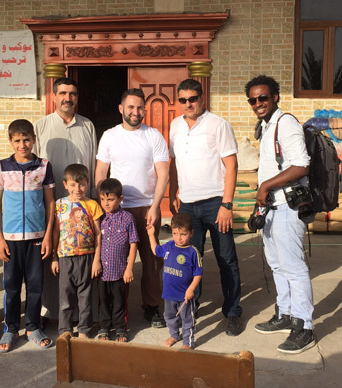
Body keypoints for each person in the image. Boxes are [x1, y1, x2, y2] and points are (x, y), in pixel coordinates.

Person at [168, 78, 243, 336]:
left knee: (226, 259)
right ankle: (191, 308)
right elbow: (174, 162)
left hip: (215, 203)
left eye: (193, 99)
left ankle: (232, 312)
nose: (188, 104)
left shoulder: (218, 125)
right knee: (190, 260)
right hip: (188, 204)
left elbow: (231, 165)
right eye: (183, 100)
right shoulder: (175, 125)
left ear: (202, 98)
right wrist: (172, 193)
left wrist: (227, 204)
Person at [246, 75, 315, 354]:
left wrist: (266, 186)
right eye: (253, 100)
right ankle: (285, 314)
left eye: (263, 97)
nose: (258, 103)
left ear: (275, 96)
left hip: (288, 206)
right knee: (276, 265)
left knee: (295, 268)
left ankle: (304, 326)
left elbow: (301, 165)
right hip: (271, 207)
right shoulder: (265, 126)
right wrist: (262, 197)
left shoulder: (286, 123)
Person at [95, 88, 169, 328]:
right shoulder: (109, 136)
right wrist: (104, 208)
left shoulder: (154, 135)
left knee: (150, 261)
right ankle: (116, 313)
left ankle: (151, 306)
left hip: (146, 207)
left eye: (139, 108)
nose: (135, 112)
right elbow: (100, 173)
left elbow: (163, 173)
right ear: (121, 109)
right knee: (115, 261)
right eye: (131, 107)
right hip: (117, 211)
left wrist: (156, 207)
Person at [33, 77, 98, 324]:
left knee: (82, 263)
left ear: (76, 97)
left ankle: (84, 315)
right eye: (62, 93)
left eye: (72, 93)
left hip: (82, 208)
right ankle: (51, 312)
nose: (67, 98)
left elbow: (91, 162)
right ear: (54, 96)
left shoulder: (87, 126)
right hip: (53, 206)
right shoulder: (41, 127)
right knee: (54, 260)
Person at [0, 119, 55, 352]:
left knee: (36, 284)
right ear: (10, 141)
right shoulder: (1, 167)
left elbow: (50, 204)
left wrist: (48, 236)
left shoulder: (44, 166)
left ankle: (33, 327)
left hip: (37, 237)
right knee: (12, 285)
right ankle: (10, 329)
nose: (22, 144)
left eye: (26, 139)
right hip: (11, 238)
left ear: (34, 139)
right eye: (17, 140)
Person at [50, 164, 103, 338]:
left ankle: (84, 330)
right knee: (65, 298)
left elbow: (97, 233)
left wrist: (96, 260)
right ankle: (65, 329)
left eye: (81, 184)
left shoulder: (92, 205)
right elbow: (56, 232)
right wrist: (54, 258)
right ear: (65, 184)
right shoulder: (59, 205)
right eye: (73, 185)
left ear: (87, 183)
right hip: (65, 258)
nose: (77, 189)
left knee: (85, 298)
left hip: (87, 258)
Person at [146, 213, 202, 349]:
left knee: (187, 319)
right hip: (169, 294)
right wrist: (151, 234)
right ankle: (174, 335)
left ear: (191, 233)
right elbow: (155, 250)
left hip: (185, 296)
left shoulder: (193, 252)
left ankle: (188, 342)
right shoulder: (169, 246)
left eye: (183, 234)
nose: (179, 238)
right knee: (169, 316)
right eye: (175, 233)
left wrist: (191, 289)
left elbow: (198, 273)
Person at [96, 178, 139, 342]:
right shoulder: (99, 218)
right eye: (103, 199)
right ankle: (104, 327)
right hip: (102, 272)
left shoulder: (127, 218)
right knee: (103, 301)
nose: (106, 203)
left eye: (111, 199)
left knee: (120, 301)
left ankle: (121, 327)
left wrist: (129, 268)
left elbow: (133, 244)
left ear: (120, 199)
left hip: (120, 271)